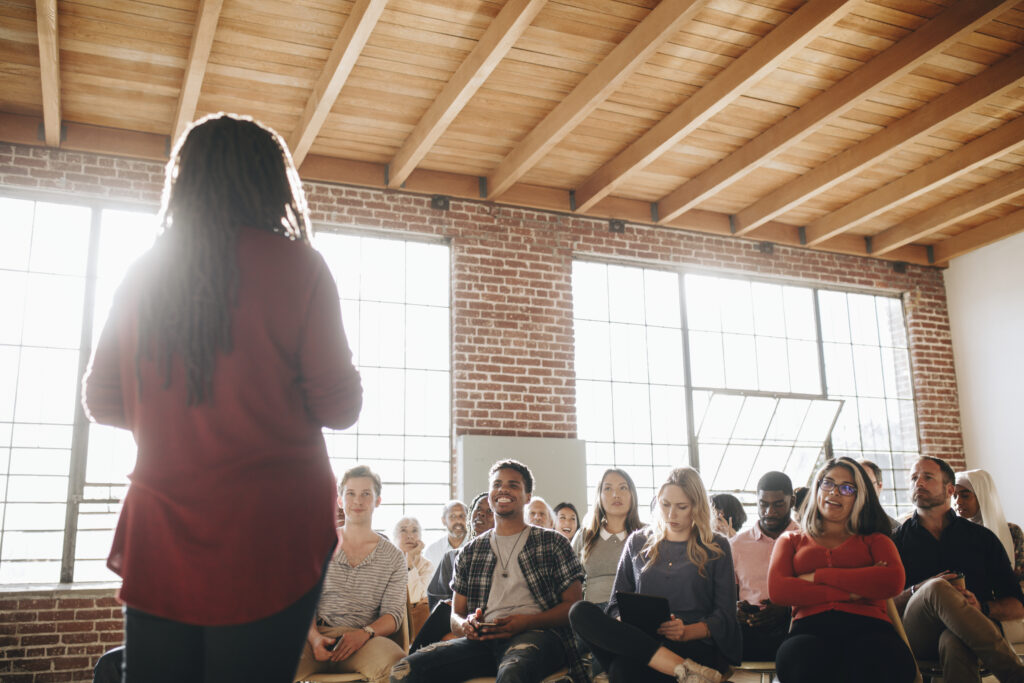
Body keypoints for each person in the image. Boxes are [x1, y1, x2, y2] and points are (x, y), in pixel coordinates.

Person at [81, 114, 362, 683]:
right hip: (270, 534)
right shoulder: (299, 267)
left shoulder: (145, 271)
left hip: (162, 530)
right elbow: (340, 406)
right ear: (271, 183)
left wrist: (173, 417)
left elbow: (101, 398)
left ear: (184, 180)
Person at [390, 459, 587, 683]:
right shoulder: (470, 552)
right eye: (497, 484)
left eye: (513, 485)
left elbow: (573, 607)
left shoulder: (553, 543)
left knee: (512, 673)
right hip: (482, 641)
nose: (503, 489)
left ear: (528, 496)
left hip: (539, 637)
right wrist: (466, 626)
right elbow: (456, 614)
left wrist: (525, 622)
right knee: (404, 669)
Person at [570, 467, 740, 683]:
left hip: (692, 643)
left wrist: (686, 631)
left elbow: (725, 615)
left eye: (681, 507)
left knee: (622, 671)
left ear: (696, 507)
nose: (671, 515)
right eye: (665, 505)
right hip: (640, 639)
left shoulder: (716, 546)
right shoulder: (638, 541)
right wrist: (621, 620)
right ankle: (685, 672)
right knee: (579, 611)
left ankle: (685, 668)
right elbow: (614, 604)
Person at [768, 457, 916, 683]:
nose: (834, 492)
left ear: (859, 496)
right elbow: (779, 590)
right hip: (809, 630)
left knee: (879, 655)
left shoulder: (876, 539)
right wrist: (854, 590)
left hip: (871, 629)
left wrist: (817, 576)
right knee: (801, 656)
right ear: (817, 489)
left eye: (847, 488)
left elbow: (891, 581)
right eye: (827, 483)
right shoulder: (790, 540)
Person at [893, 456, 1024, 683]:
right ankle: (1016, 674)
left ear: (949, 489)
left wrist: (981, 607)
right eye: (914, 478)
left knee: (955, 641)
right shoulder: (896, 541)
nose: (918, 483)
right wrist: (919, 589)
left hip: (971, 632)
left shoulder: (983, 539)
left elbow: (1017, 606)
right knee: (936, 587)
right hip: (919, 632)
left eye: (928, 477)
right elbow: (885, 604)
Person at [294, 466, 406, 683]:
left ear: (377, 501)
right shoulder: (317, 545)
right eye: (351, 493)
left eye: (366, 494)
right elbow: (302, 603)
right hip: (315, 636)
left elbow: (394, 616)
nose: (358, 501)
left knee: (399, 668)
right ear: (339, 500)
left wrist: (364, 634)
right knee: (267, 660)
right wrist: (315, 638)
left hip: (365, 639)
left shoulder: (394, 557)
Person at [411, 492, 496, 654]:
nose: (481, 513)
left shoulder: (501, 556)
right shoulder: (452, 557)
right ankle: (413, 659)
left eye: (489, 511)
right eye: (477, 509)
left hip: (484, 621)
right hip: (454, 621)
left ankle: (412, 659)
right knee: (446, 607)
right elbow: (437, 601)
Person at [729, 471, 799, 661]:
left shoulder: (807, 540)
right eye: (763, 504)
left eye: (778, 504)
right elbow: (729, 595)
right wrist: (736, 610)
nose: (769, 512)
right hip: (750, 631)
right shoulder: (736, 545)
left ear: (792, 501)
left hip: (795, 628)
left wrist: (786, 610)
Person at [572, 468, 643, 607]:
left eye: (623, 488)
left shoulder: (645, 535)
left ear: (632, 494)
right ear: (599, 496)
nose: (616, 494)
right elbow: (569, 581)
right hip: (593, 611)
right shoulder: (585, 536)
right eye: (608, 489)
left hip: (631, 610)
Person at [954, 469, 1024, 582]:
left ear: (983, 496)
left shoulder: (1012, 532)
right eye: (955, 496)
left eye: (965, 496)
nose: (957, 502)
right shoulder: (954, 533)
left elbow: (1020, 577)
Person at [395, 517, 433, 604]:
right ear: (395, 536)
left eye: (414, 531)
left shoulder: (426, 565)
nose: (410, 536)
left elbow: (413, 598)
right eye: (403, 530)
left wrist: (410, 561)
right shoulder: (387, 561)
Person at [424, 501, 469, 567]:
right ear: (443, 521)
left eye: (462, 516)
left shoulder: (477, 547)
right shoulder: (432, 551)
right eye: (452, 516)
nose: (458, 520)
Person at [859, 459, 900, 531]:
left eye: (867, 483)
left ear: (879, 486)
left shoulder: (895, 529)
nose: (861, 489)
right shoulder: (838, 526)